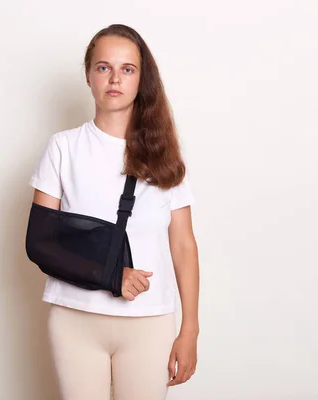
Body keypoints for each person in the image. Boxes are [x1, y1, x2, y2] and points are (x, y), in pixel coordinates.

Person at [28, 24, 200, 400]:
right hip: (75, 317)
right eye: (103, 67)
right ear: (88, 76)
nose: (114, 78)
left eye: (127, 69)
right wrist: (111, 276)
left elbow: (184, 245)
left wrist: (190, 330)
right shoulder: (64, 147)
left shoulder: (165, 156)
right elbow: (39, 242)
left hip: (149, 321)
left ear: (142, 79)